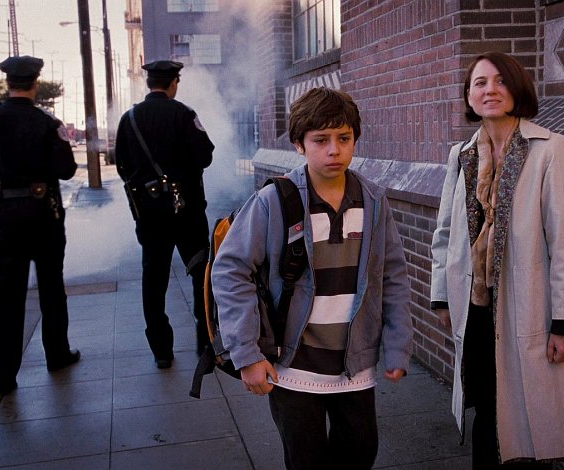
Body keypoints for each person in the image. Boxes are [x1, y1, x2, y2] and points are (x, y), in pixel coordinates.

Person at [211, 87, 413, 470]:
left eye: (344, 138)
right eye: (321, 140)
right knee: (306, 461)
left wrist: (399, 344)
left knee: (360, 453)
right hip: (292, 366)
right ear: (299, 144)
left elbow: (394, 275)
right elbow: (231, 271)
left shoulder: (373, 201)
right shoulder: (273, 201)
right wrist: (247, 354)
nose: (334, 150)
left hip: (354, 365)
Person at [430, 51, 564, 468]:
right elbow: (444, 232)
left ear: (517, 89)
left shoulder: (550, 150)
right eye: (480, 83)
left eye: (500, 81)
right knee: (486, 410)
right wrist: (442, 296)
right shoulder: (461, 154)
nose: (490, 90)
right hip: (476, 311)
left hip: (528, 308)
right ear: (469, 95)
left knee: (527, 419)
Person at [0, 55, 80, 395]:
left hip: (2, 218)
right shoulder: (47, 122)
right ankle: (57, 354)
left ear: (8, 83)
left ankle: (3, 375)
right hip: (43, 215)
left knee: (5, 294)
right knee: (51, 286)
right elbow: (66, 170)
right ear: (35, 83)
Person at [115, 60, 214, 369]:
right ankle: (205, 342)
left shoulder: (129, 119)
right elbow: (205, 156)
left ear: (149, 83)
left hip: (149, 214)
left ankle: (161, 351)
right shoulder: (184, 114)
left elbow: (121, 165)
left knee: (154, 278)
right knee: (200, 274)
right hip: (187, 212)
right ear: (174, 83)